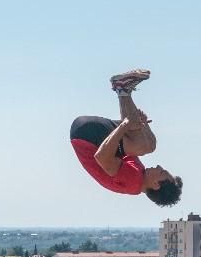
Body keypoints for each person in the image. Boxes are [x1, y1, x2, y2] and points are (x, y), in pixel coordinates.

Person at [70, 69, 182, 206]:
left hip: (86, 136)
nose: (159, 166)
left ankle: (122, 88)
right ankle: (123, 89)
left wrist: (125, 125)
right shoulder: (139, 175)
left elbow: (101, 157)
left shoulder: (133, 180)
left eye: (162, 172)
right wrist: (141, 124)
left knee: (145, 146)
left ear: (156, 184)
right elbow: (128, 141)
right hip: (88, 133)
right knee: (149, 143)